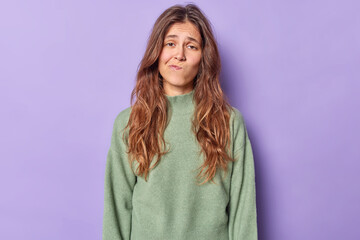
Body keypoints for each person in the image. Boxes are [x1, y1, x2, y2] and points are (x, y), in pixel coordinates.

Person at [102, 3, 258, 240]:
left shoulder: (229, 122)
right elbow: (116, 210)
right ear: (157, 51)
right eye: (170, 43)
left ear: (203, 57)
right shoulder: (129, 122)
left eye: (191, 46)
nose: (179, 55)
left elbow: (242, 210)